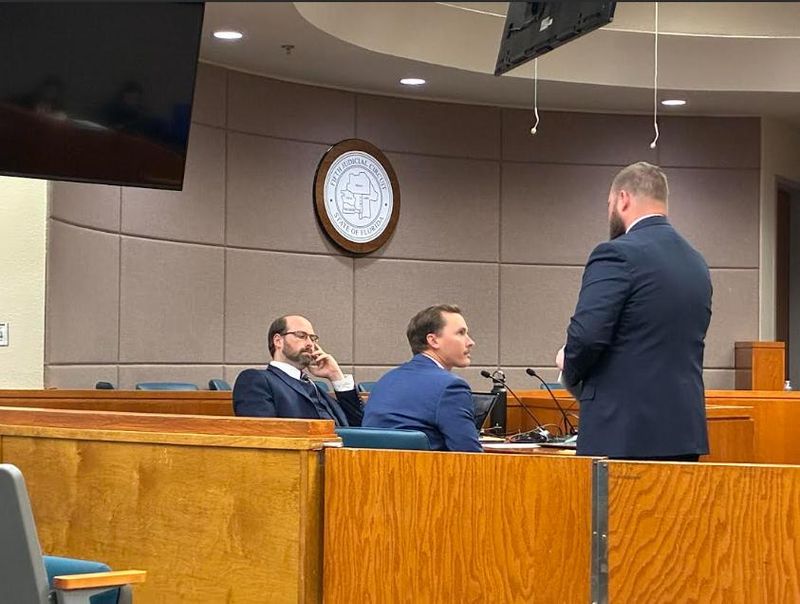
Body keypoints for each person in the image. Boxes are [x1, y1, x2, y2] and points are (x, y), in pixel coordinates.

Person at [557, 161, 712, 460]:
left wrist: (568, 365)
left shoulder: (615, 253)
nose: (609, 211)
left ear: (623, 198)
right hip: (683, 435)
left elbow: (587, 336)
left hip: (623, 435)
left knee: (614, 510)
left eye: (610, 203)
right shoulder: (697, 262)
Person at [363, 304, 482, 452]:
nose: (470, 342)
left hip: (374, 472)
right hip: (427, 473)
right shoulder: (451, 387)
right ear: (433, 341)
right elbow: (470, 457)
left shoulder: (385, 381)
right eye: (460, 333)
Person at [233, 315, 362, 426]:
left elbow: (358, 425)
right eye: (301, 336)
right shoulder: (256, 380)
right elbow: (265, 437)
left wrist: (336, 376)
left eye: (312, 338)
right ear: (278, 341)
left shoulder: (314, 387)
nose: (310, 344)